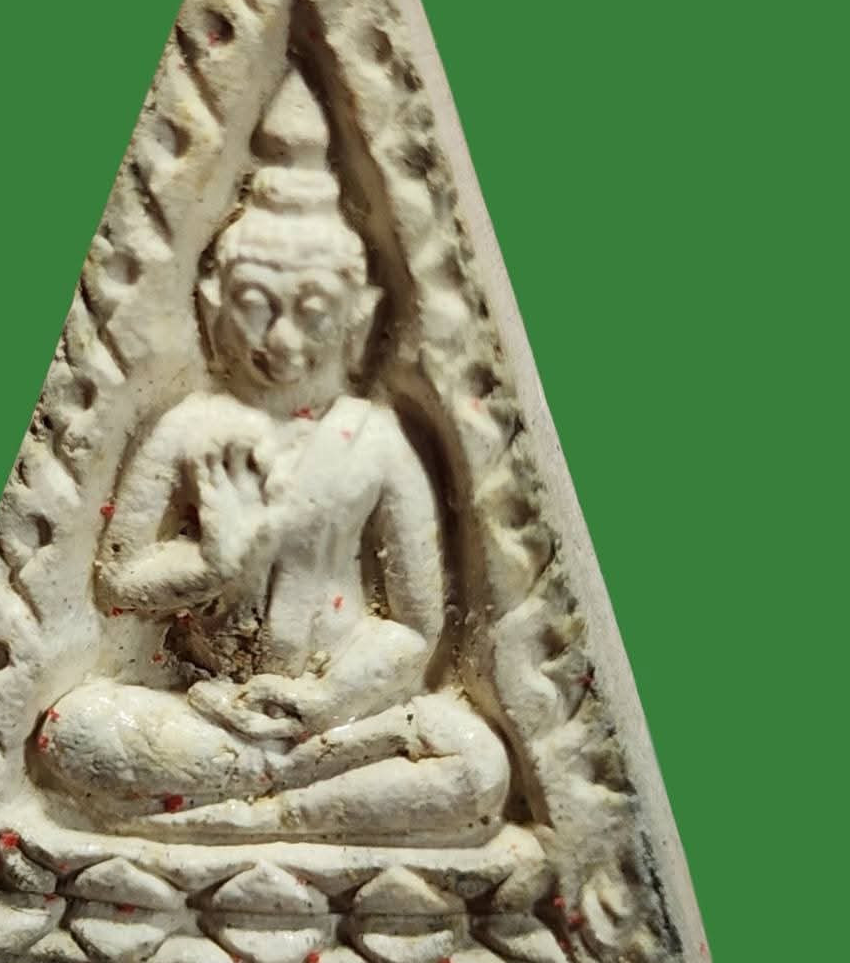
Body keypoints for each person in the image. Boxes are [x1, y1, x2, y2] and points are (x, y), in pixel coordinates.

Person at [35, 69, 509, 842]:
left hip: (337, 719)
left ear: (359, 317)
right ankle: (284, 807)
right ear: (214, 301)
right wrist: (215, 560)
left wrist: (328, 701)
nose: (283, 339)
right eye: (256, 305)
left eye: (313, 311)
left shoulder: (373, 439)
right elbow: (118, 582)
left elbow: (415, 630)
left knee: (478, 763)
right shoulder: (190, 427)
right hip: (207, 711)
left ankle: (253, 812)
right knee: (75, 729)